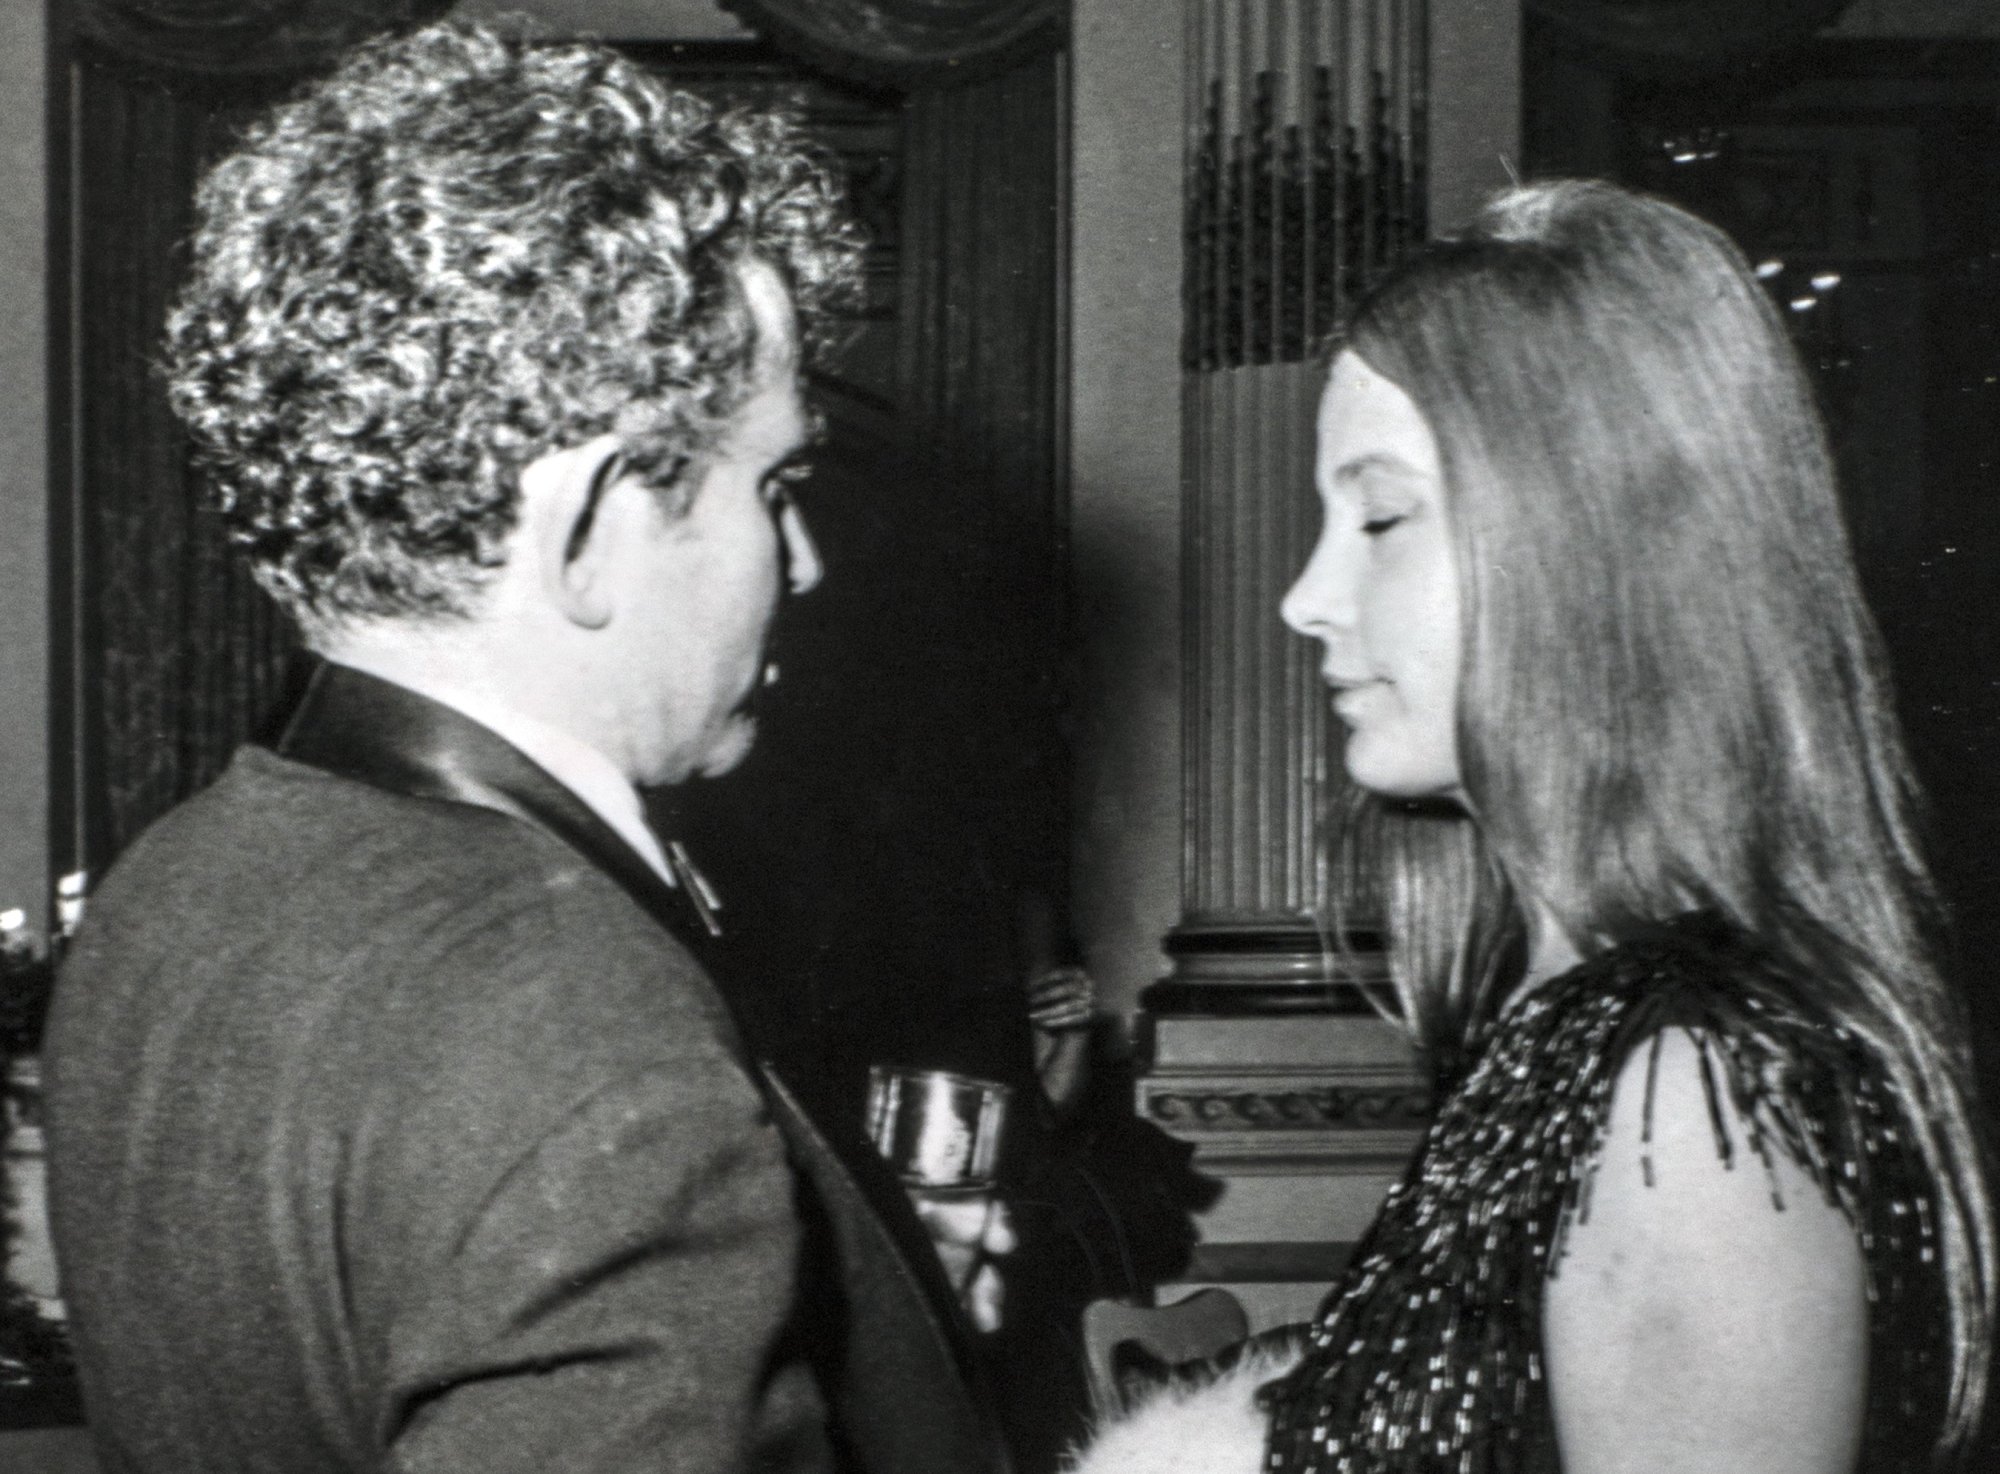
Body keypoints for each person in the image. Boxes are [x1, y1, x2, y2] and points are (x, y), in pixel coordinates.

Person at [44, 22, 1011, 1474]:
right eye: (774, 485)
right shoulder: (575, 1014)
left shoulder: (170, 888)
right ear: (593, 527)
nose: (803, 561)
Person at [1071, 179, 1994, 1474]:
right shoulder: (1587, 1037)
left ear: (1592, 544)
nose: (1305, 596)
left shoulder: (1692, 1095)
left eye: (1380, 516)